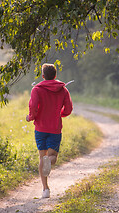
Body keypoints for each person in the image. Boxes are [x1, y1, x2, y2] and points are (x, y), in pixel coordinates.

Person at [26, 63, 73, 198]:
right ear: (55, 75)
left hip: (40, 128)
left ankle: (45, 189)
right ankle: (48, 160)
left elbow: (33, 107)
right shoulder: (63, 90)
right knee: (52, 157)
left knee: (42, 157)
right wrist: (60, 114)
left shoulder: (36, 89)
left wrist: (30, 117)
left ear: (43, 76)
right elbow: (68, 109)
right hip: (55, 128)